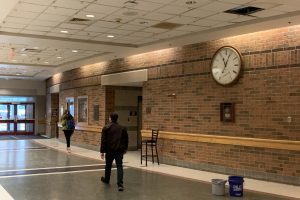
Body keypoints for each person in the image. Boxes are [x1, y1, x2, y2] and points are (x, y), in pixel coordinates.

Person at [100, 112, 128, 191]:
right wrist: (125, 149)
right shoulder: (122, 128)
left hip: (109, 151)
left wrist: (102, 151)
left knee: (108, 166)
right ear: (117, 118)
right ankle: (120, 184)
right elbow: (126, 139)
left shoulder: (106, 128)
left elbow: (103, 141)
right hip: (119, 150)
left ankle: (107, 179)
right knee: (119, 166)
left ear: (110, 118)